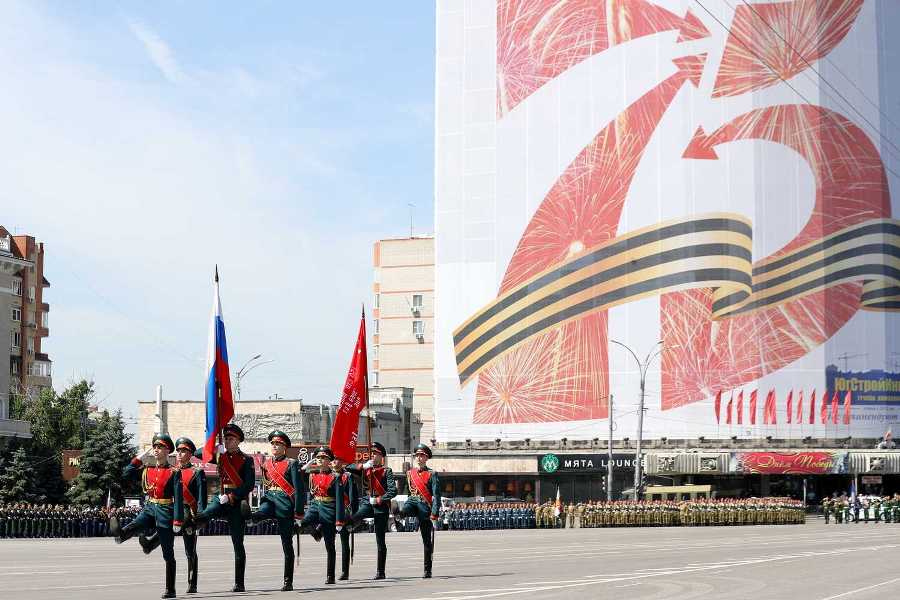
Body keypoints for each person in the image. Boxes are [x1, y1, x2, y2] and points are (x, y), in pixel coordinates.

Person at [108, 433, 179, 599]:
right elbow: (126, 474)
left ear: (168, 450)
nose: (156, 449)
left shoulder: (173, 472)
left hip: (165, 510)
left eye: (160, 447)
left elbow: (178, 497)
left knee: (168, 552)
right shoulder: (147, 470)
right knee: (135, 524)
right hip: (149, 507)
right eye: (155, 446)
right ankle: (119, 533)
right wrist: (138, 458)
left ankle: (170, 589)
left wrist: (177, 520)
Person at [192, 423, 255, 593]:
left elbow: (249, 484)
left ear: (238, 441)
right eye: (226, 439)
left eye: (231, 439)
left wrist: (232, 496)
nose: (227, 441)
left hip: (236, 502)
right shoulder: (220, 456)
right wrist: (213, 446)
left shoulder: (247, 460)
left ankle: (239, 583)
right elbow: (198, 455)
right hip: (221, 498)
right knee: (204, 514)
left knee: (237, 543)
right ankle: (189, 528)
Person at [141, 437, 206, 594]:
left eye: (184, 451)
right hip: (172, 511)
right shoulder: (171, 470)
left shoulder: (197, 472)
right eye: (178, 451)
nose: (179, 454)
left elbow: (201, 500)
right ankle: (152, 542)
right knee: (166, 527)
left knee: (190, 551)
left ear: (190, 454)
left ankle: (192, 583)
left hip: (189, 516)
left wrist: (200, 519)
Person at [248, 431, 304, 591]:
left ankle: (288, 581)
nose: (274, 446)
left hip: (285, 504)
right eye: (272, 443)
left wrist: (299, 513)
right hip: (270, 499)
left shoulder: (292, 463)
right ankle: (253, 517)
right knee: (262, 510)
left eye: (277, 444)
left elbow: (299, 490)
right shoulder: (267, 463)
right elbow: (266, 483)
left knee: (287, 544)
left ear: (284, 447)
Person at [345, 441, 397, 579]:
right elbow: (347, 467)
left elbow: (393, 491)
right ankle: (354, 524)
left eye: (376, 454)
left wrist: (380, 499)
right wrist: (362, 465)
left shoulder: (387, 471)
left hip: (380, 507)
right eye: (372, 453)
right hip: (368, 503)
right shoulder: (366, 468)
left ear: (382, 457)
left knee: (380, 540)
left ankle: (381, 572)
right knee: (354, 516)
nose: (373, 456)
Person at [297, 446, 345, 585]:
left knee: (329, 545)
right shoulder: (313, 474)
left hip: (329, 509)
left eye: (323, 458)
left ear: (329, 461)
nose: (319, 460)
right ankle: (317, 532)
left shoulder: (335, 477)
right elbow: (299, 473)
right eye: (318, 457)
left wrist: (339, 521)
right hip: (314, 506)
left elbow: (339, 500)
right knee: (301, 524)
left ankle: (330, 576)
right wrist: (309, 462)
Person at [399, 443, 441, 579]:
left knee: (426, 541)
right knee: (405, 508)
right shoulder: (410, 473)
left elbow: (436, 496)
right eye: (417, 455)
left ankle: (427, 570)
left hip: (424, 507)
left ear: (426, 457)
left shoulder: (432, 474)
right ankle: (399, 515)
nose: (418, 458)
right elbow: (408, 492)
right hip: (412, 502)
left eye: (421, 455)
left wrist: (434, 515)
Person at [332, 457, 358, 581]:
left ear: (342, 462)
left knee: (344, 542)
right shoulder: (328, 475)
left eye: (336, 460)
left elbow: (353, 497)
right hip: (330, 511)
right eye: (332, 460)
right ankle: (330, 572)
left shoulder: (348, 476)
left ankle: (344, 571)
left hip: (344, 512)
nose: (334, 462)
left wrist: (353, 516)